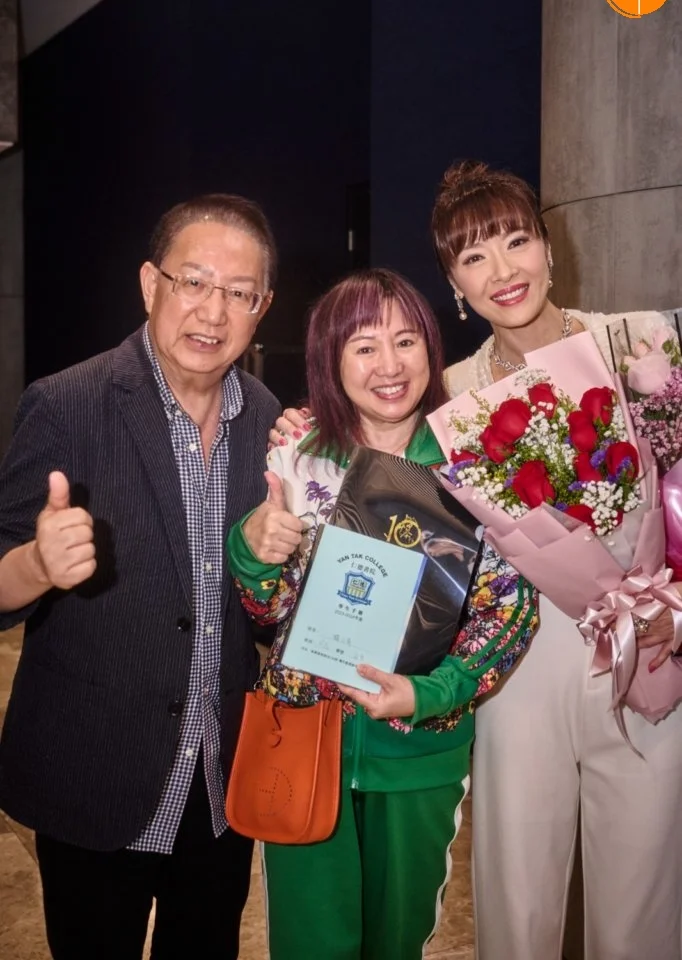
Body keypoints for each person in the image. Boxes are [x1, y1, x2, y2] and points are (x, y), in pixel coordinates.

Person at [273, 162, 682, 960]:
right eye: (472, 256)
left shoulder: (641, 345)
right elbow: (366, 464)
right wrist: (300, 433)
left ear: (549, 248)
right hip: (516, 669)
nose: (501, 270)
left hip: (648, 651)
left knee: (643, 903)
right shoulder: (447, 397)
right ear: (454, 285)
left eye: (516, 241)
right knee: (516, 899)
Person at [0, 193, 281, 959]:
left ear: (262, 307)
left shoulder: (268, 421)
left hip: (218, 786)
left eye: (239, 293)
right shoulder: (66, 404)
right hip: (97, 777)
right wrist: (35, 564)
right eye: (194, 282)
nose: (213, 312)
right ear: (151, 284)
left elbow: (263, 608)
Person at [228, 268, 537, 960]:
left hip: (418, 755)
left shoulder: (474, 464)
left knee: (398, 944)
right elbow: (265, 609)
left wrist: (428, 694)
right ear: (331, 360)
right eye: (364, 347)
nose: (389, 366)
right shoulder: (298, 456)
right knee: (310, 946)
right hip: (303, 747)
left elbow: (508, 613)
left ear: (431, 348)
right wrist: (252, 551)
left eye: (405, 341)